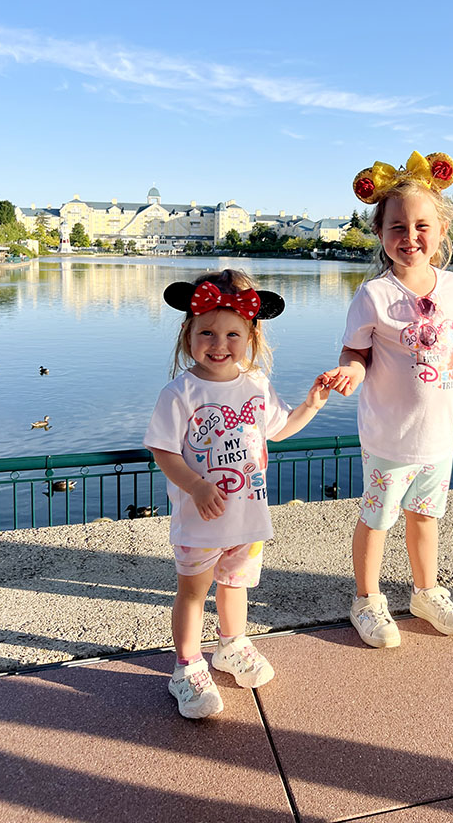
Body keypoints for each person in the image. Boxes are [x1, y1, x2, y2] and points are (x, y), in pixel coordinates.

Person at [324, 151, 453, 648]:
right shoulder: (374, 295)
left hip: (438, 436)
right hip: (389, 435)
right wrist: (350, 374)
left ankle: (426, 591)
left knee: (426, 517)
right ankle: (367, 599)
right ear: (380, 234)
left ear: (441, 229)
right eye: (396, 226)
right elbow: (356, 350)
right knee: (377, 517)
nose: (410, 236)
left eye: (422, 225)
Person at [145, 269, 330, 718]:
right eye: (206, 331)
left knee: (236, 584)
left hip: (247, 517)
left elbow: (280, 431)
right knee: (192, 591)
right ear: (187, 333)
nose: (219, 343)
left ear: (250, 336)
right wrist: (196, 485)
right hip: (200, 518)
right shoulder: (181, 392)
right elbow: (162, 450)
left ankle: (231, 645)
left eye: (232, 333)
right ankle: (186, 668)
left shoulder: (256, 384)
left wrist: (312, 403)